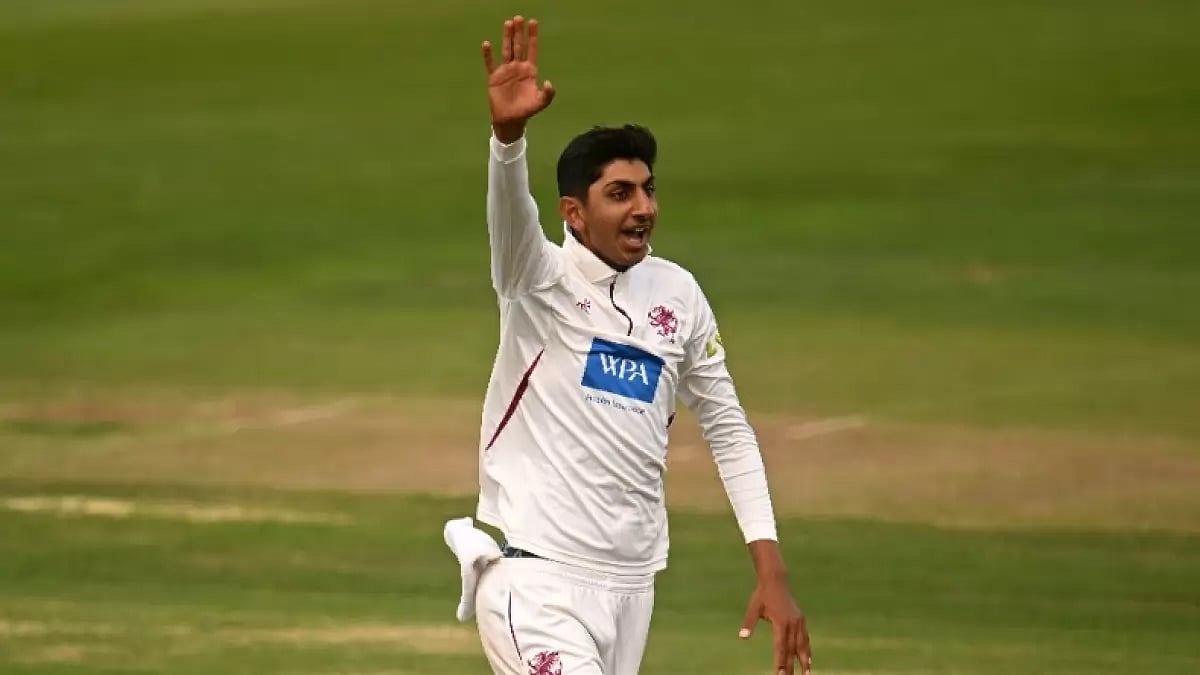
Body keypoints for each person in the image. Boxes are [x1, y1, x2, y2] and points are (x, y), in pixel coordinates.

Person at [444, 14, 813, 675]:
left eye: (647, 189)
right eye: (619, 193)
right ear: (573, 213)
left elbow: (727, 426)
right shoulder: (537, 279)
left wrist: (772, 566)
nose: (643, 207)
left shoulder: (677, 294)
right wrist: (508, 139)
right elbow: (510, 217)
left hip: (632, 589)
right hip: (537, 584)